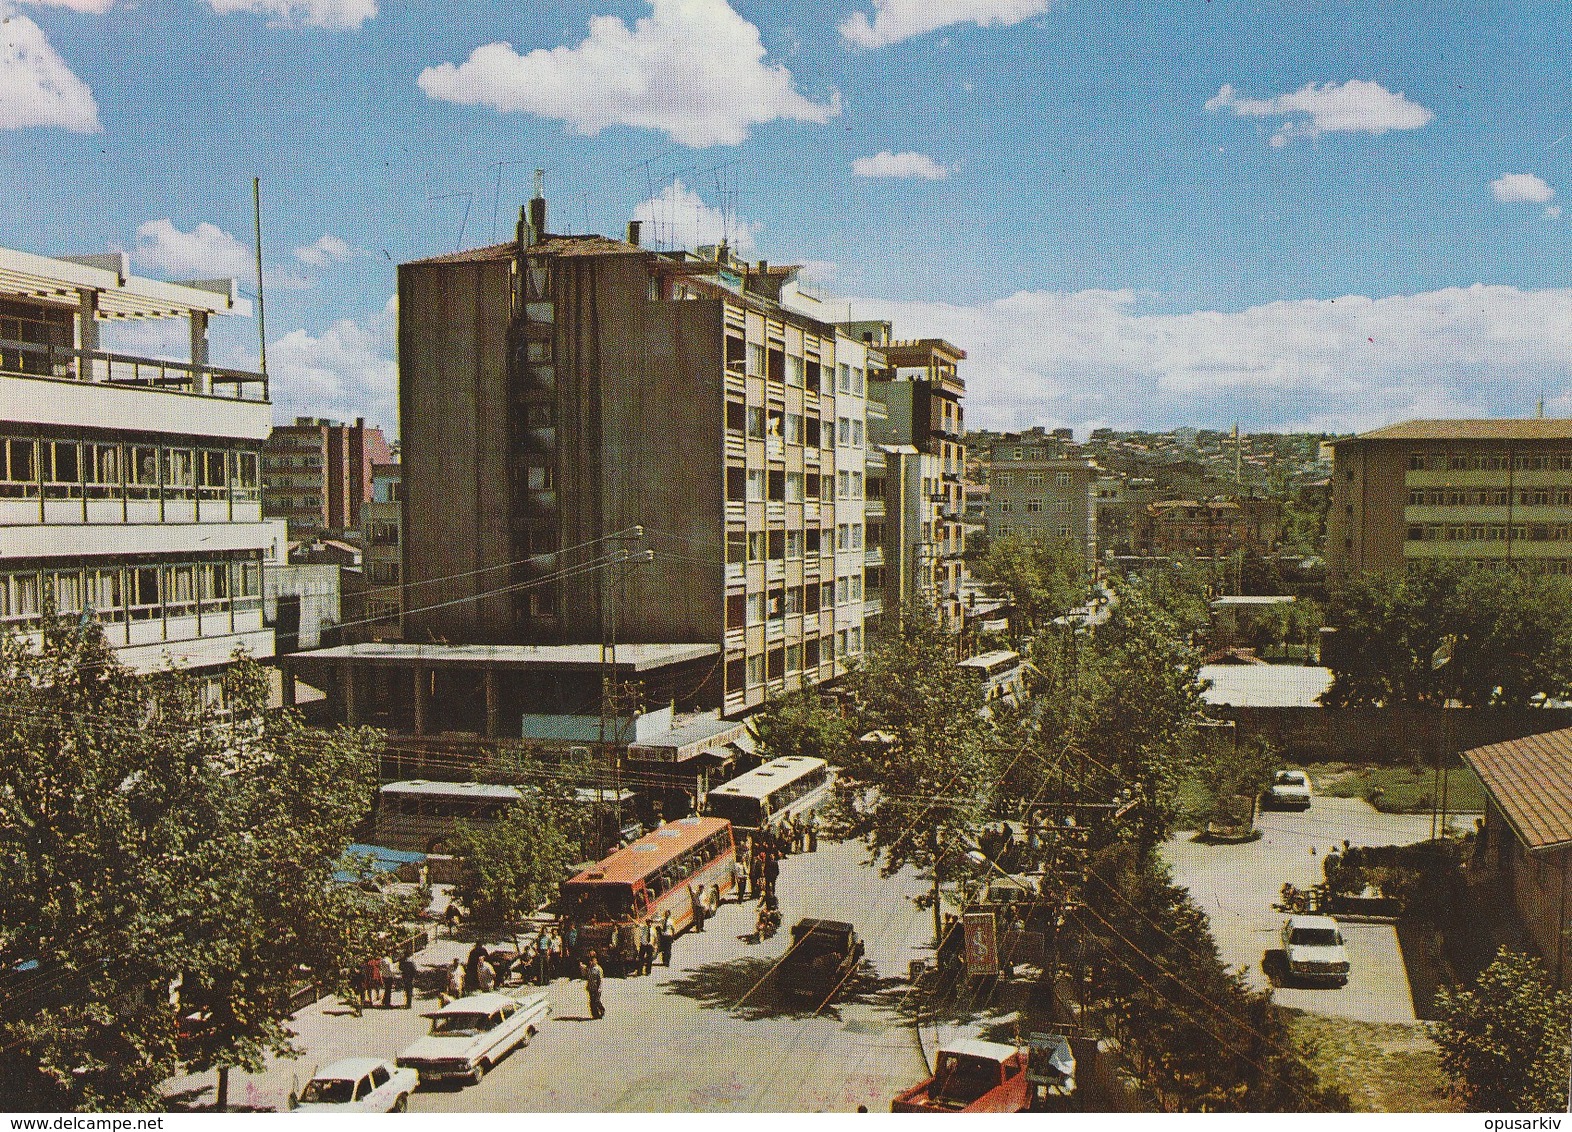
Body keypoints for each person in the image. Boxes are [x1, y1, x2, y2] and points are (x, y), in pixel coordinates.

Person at [582, 950, 606, 1020]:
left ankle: (602, 1010)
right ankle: (595, 1015)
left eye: (593, 961)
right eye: (591, 961)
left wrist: (600, 988)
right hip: (591, 987)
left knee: (596, 1000)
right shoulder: (589, 968)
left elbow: (600, 980)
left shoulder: (598, 969)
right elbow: (585, 975)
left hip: (597, 987)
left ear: (596, 961)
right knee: (592, 1002)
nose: (592, 962)